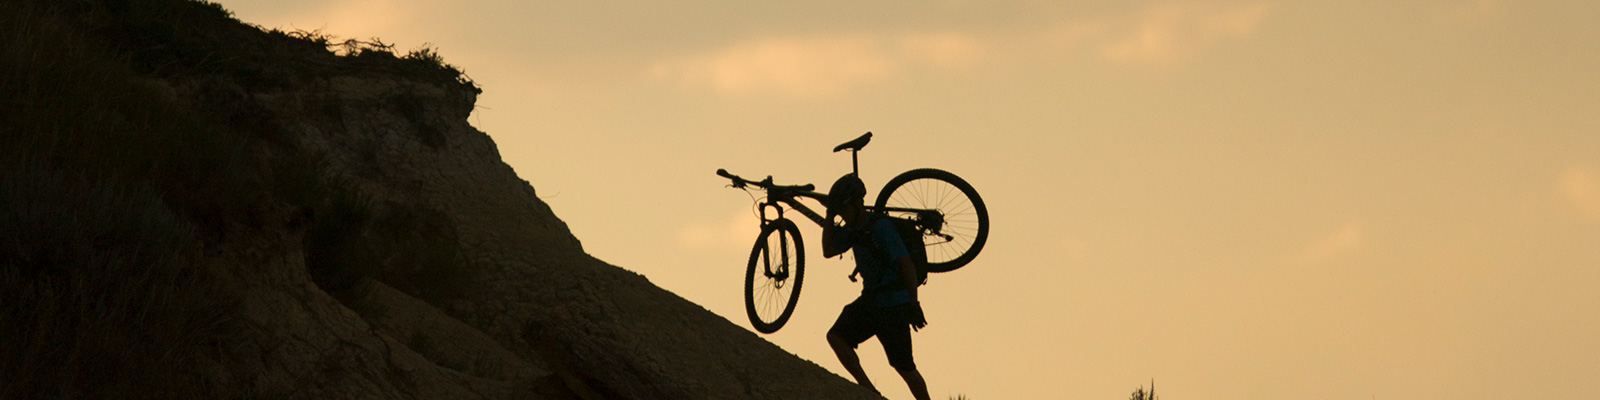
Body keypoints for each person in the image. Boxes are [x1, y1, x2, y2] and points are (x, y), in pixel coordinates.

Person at [821, 173, 931, 400]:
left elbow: (907, 265)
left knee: (905, 368)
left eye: (844, 210)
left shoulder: (881, 227)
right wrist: (830, 217)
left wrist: (913, 303)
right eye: (839, 212)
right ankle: (869, 392)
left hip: (894, 306)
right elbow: (828, 251)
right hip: (871, 301)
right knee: (836, 337)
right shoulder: (852, 231)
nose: (843, 216)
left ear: (857, 204)